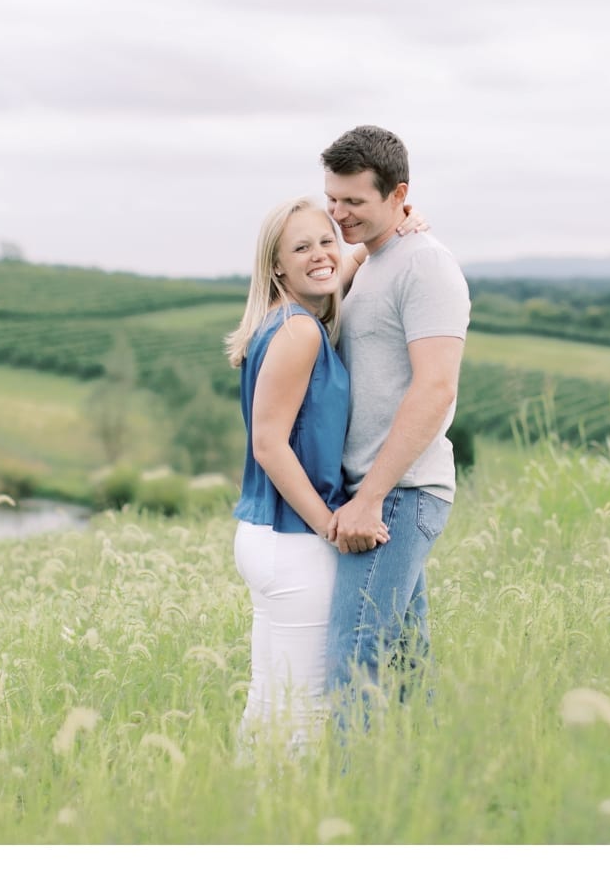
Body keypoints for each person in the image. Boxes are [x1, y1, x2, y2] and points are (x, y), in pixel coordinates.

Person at [224, 195, 420, 752]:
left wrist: (393, 226)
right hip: (295, 539)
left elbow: (337, 267)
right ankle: (286, 828)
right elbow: (269, 444)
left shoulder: (281, 322)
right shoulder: (300, 333)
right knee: (305, 713)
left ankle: (241, 817)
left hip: (265, 536)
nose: (320, 254)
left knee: (270, 703)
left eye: (327, 240)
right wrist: (330, 525)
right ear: (276, 265)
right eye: (301, 247)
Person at [320, 125, 471, 721]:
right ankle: (421, 793)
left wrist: (370, 499)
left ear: (397, 194)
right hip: (380, 494)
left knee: (353, 664)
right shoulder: (377, 260)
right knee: (407, 673)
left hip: (398, 496)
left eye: (354, 201)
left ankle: (349, 805)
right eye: (333, 198)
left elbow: (435, 388)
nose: (338, 213)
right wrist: (359, 247)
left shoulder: (426, 267)